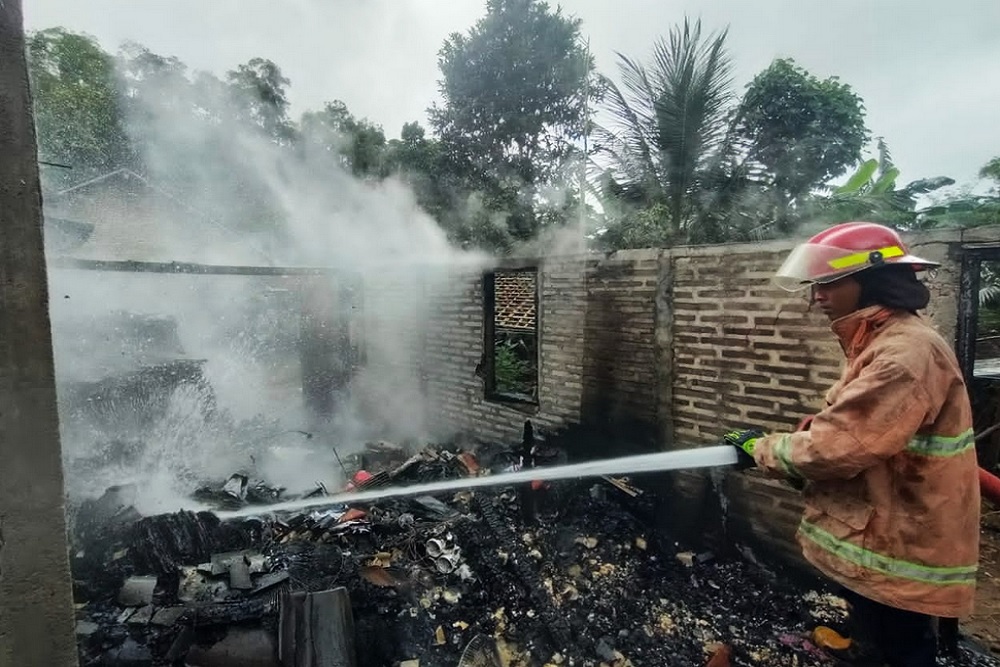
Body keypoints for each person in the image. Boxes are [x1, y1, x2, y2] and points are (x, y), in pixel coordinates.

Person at [724, 221, 981, 667]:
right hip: (889, 525)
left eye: (829, 283)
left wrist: (761, 449)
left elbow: (838, 447)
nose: (817, 296)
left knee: (900, 645)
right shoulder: (883, 340)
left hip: (904, 536)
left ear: (873, 279)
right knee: (879, 633)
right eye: (815, 284)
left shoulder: (905, 354)